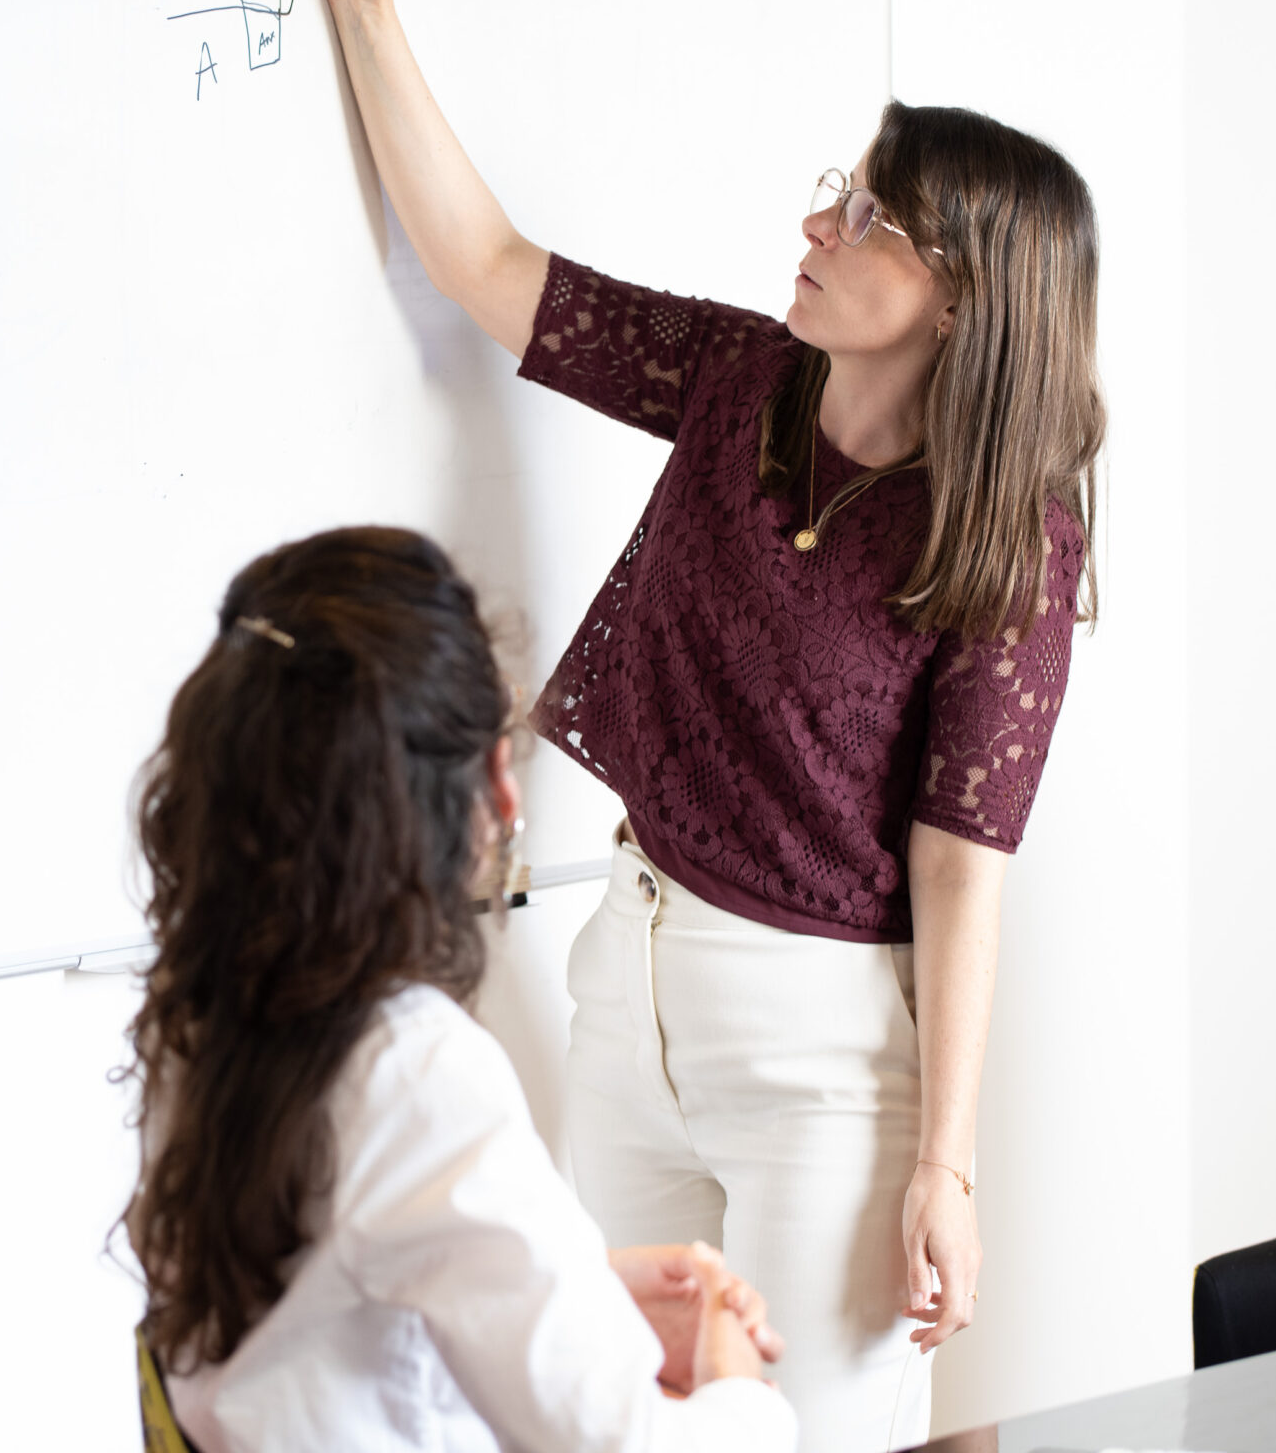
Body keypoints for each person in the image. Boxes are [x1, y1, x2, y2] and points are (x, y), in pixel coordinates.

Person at [318, 0, 1105, 1450]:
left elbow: (961, 868)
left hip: (825, 1052)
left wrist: (945, 1166)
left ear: (965, 302)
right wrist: (367, 7)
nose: (817, 222)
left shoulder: (1003, 537)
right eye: (842, 185)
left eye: (868, 214)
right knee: (608, 1425)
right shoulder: (737, 375)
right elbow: (490, 272)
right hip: (633, 978)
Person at [124, 526, 797, 1453]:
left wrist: (579, 1288)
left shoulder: (202, 998)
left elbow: (328, 1312)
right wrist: (741, 1385)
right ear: (487, 791)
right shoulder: (408, 1066)